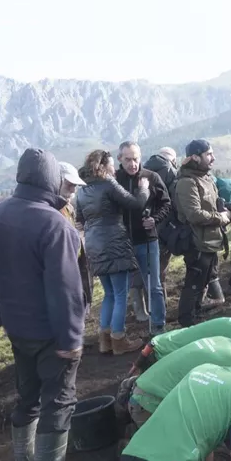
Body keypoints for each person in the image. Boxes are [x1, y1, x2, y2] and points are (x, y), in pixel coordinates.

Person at [0, 149, 89, 461]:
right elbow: (66, 288)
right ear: (51, 181)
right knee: (59, 400)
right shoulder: (55, 225)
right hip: (53, 334)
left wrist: (0, 317)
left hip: (18, 330)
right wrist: (71, 338)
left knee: (28, 397)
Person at [76, 149, 151, 354]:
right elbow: (135, 204)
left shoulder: (81, 190)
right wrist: (143, 188)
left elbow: (80, 218)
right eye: (111, 165)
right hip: (114, 242)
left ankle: (104, 340)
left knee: (109, 293)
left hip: (93, 244)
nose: (113, 168)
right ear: (104, 166)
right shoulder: (108, 183)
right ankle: (119, 339)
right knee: (120, 294)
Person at [117, 141, 173, 334]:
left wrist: (155, 220)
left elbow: (166, 204)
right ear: (120, 159)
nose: (133, 164)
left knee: (154, 285)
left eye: (136, 159)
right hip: (122, 243)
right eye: (128, 160)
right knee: (121, 289)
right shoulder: (114, 181)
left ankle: (158, 326)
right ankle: (117, 333)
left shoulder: (152, 177)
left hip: (148, 241)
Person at [175, 139, 230, 326]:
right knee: (193, 284)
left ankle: (196, 317)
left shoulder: (206, 179)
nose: (213, 158)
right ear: (195, 157)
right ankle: (187, 324)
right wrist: (220, 218)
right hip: (196, 242)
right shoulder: (186, 182)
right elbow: (194, 214)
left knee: (204, 282)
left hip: (211, 241)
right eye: (208, 154)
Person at [58, 161, 92, 313]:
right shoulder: (49, 213)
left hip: (78, 273)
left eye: (75, 186)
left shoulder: (69, 208)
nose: (72, 190)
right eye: (69, 184)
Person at [145, 147, 180, 285]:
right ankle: (160, 303)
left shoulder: (144, 169)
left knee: (147, 265)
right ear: (173, 159)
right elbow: (175, 199)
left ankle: (144, 301)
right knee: (161, 266)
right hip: (164, 224)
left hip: (144, 223)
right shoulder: (171, 171)